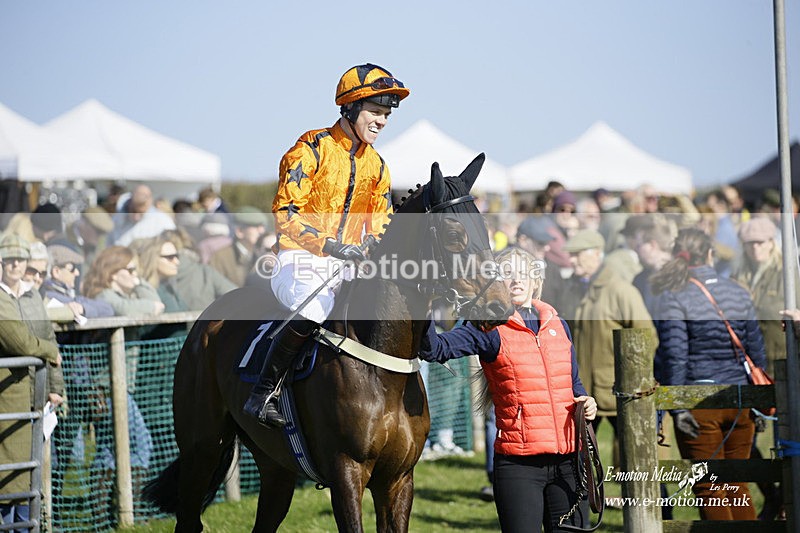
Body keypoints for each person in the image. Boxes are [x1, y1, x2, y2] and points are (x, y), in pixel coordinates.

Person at [244, 63, 408, 428]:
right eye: (376, 112)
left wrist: (371, 246)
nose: (382, 121)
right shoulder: (310, 150)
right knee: (317, 310)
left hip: (346, 264)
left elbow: (380, 223)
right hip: (298, 258)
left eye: (386, 115)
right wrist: (332, 246)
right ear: (350, 108)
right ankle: (264, 392)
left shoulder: (378, 166)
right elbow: (286, 213)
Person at [418, 246, 597, 532]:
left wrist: (588, 402)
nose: (516, 280)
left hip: (569, 462)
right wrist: (423, 305)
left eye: (523, 273)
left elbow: (573, 384)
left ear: (535, 281)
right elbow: (434, 349)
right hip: (519, 465)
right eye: (506, 273)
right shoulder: (487, 328)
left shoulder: (559, 325)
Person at [652, 228, 766, 520]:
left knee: (709, 487)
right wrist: (761, 402)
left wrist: (677, 409)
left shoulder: (674, 296)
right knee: (737, 484)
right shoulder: (738, 291)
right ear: (711, 255)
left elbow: (675, 356)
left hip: (698, 402)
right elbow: (756, 351)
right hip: (741, 399)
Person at [567, 230, 656, 439]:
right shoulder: (576, 289)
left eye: (577, 254)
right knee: (582, 462)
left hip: (618, 392)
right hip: (585, 394)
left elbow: (648, 338)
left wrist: (631, 381)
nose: (571, 260)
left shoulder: (621, 291)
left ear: (597, 254)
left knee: (629, 462)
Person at [82, 246, 165, 317]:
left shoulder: (127, 293)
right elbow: (124, 309)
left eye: (135, 269)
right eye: (131, 270)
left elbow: (158, 305)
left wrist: (139, 283)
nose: (135, 274)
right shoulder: (103, 295)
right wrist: (152, 307)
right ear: (113, 273)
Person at [208, 207, 267, 286]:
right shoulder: (221, 257)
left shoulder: (262, 254)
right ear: (239, 231)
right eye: (255, 226)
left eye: (262, 226)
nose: (261, 231)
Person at [108, 184, 176, 246]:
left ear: (150, 201)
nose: (136, 216)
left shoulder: (163, 222)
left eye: (141, 212)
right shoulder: (117, 220)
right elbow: (109, 245)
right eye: (134, 210)